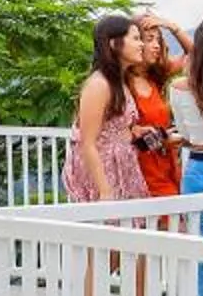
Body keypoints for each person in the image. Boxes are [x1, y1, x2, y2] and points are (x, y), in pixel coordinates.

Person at [63, 14, 143, 203]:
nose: (141, 45)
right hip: (105, 172)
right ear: (114, 44)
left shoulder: (119, 82)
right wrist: (105, 191)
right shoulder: (98, 84)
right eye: (136, 39)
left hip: (123, 167)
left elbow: (111, 128)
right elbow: (87, 142)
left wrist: (133, 133)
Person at [123, 11, 188, 199]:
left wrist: (172, 26)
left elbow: (195, 55)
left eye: (158, 40)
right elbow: (126, 134)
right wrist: (164, 139)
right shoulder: (121, 83)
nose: (157, 45)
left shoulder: (155, 78)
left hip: (166, 164)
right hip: (141, 171)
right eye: (149, 39)